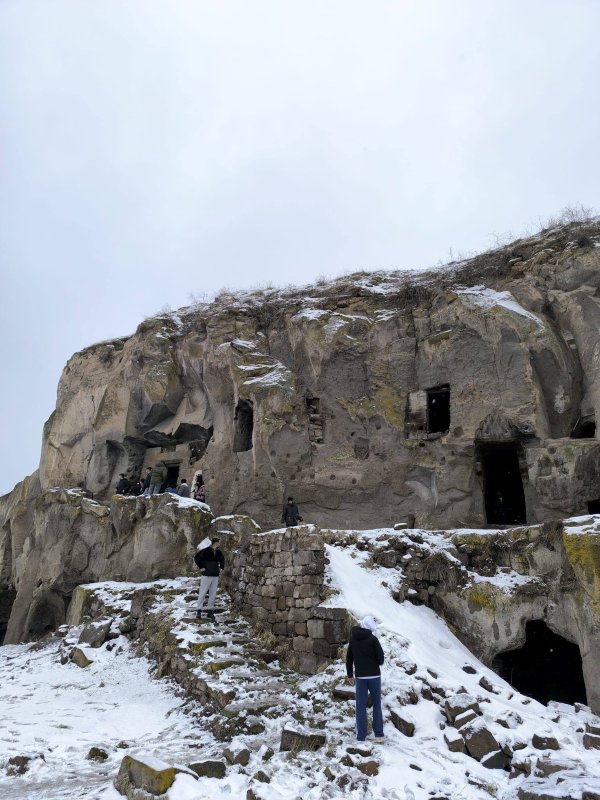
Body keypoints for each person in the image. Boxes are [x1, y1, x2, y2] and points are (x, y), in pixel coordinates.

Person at [346, 615, 385, 742]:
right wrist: (375, 662)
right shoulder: (373, 639)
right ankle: (379, 735)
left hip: (361, 677)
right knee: (377, 705)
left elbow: (349, 659)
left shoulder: (353, 640)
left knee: (360, 706)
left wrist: (350, 675)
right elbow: (381, 659)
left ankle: (361, 736)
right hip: (374, 676)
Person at [194, 537, 225, 620]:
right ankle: (199, 611)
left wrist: (221, 567)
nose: (219, 544)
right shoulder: (206, 550)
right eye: (219, 542)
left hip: (215, 575)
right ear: (215, 543)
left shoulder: (218, 552)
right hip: (206, 574)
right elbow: (197, 557)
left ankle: (210, 611)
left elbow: (222, 560)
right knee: (203, 592)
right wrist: (201, 567)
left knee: (213, 594)